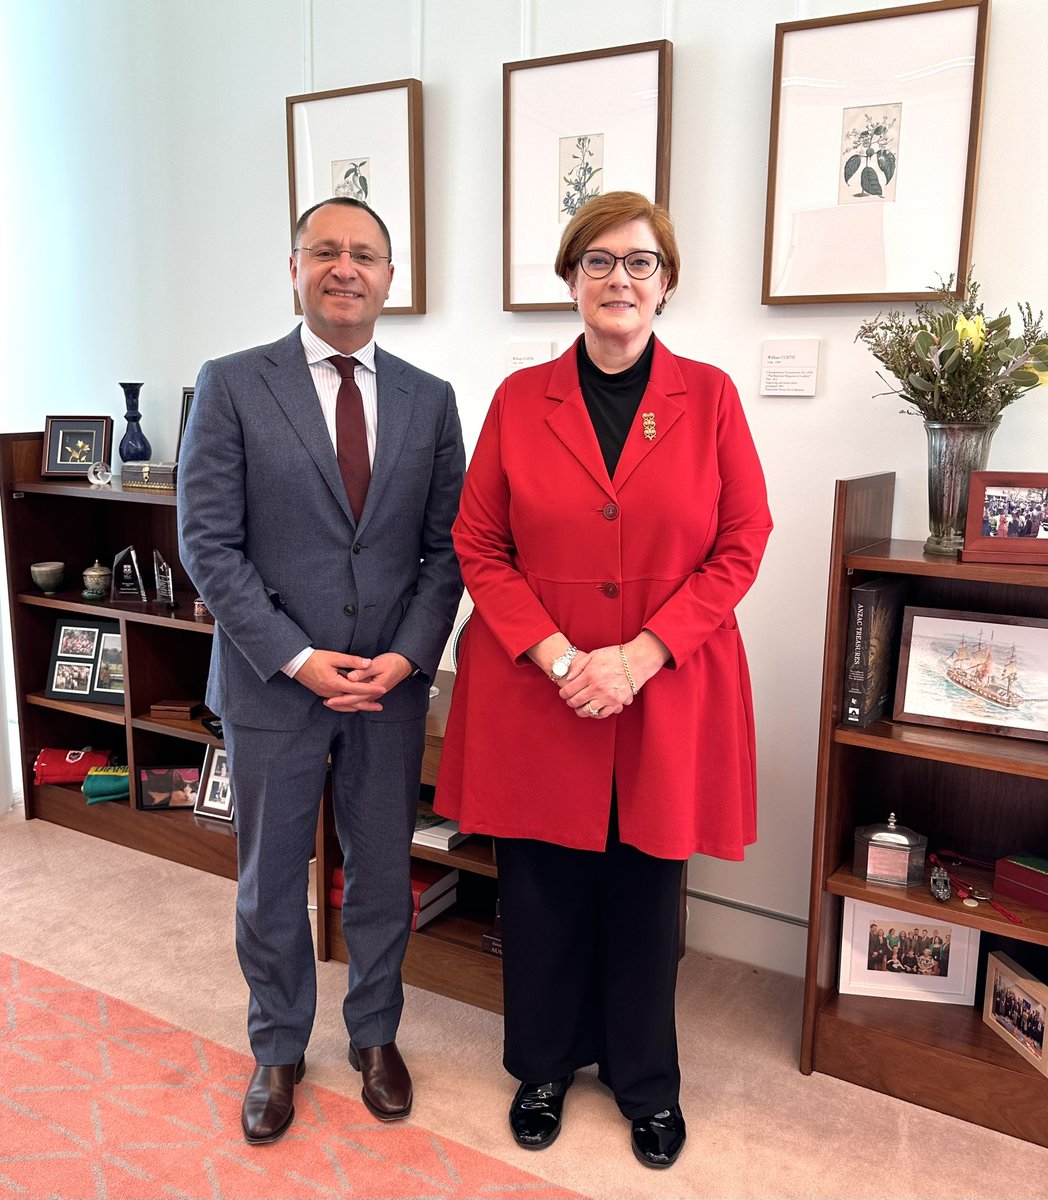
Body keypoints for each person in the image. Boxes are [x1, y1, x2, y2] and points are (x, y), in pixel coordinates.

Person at [434, 191, 771, 1170]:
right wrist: (557, 655)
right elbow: (477, 543)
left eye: (639, 262)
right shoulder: (516, 399)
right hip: (540, 688)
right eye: (597, 261)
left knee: (643, 891)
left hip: (664, 686)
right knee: (538, 891)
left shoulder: (707, 398)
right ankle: (541, 1066)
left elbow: (743, 541)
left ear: (665, 283)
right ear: (569, 279)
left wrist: (641, 653)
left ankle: (644, 1084)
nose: (618, 279)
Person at [178, 196, 464, 1145]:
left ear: (391, 276)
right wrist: (298, 659)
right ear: (293, 267)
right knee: (269, 878)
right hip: (272, 683)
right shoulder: (230, 384)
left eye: (367, 255)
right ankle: (277, 1047)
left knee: (383, 871)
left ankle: (375, 1034)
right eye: (327, 251)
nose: (348, 269)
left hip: (388, 686)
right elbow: (208, 546)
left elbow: (447, 550)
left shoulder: (430, 398)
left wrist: (406, 655)